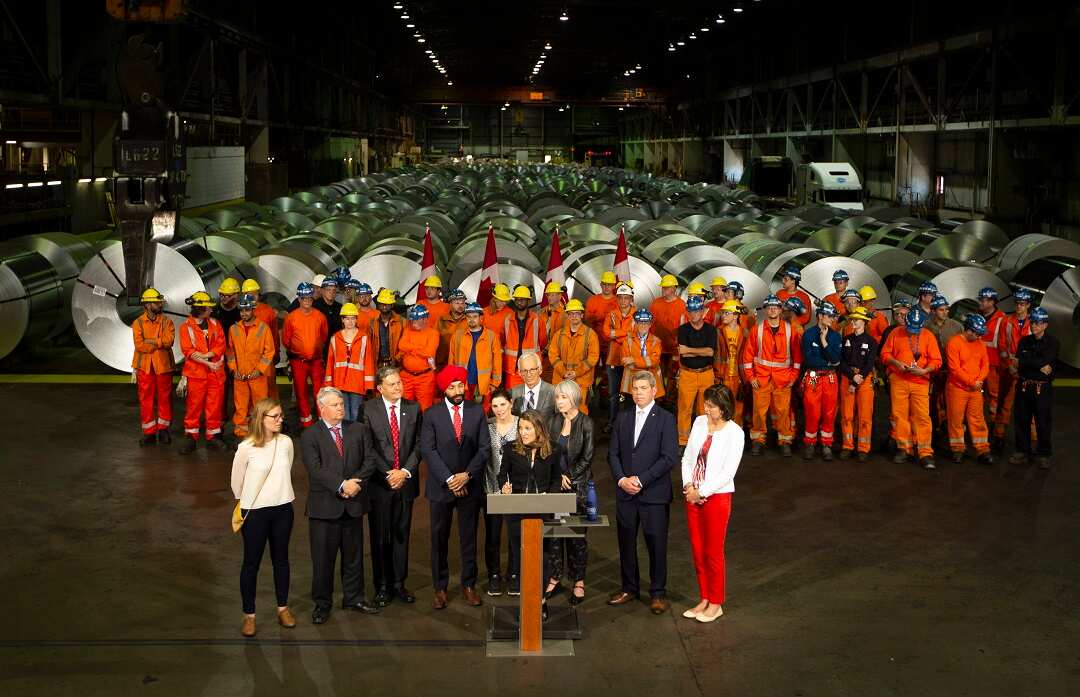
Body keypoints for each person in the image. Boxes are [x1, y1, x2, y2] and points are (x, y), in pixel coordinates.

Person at [301, 387, 378, 624]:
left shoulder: (358, 429)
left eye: (342, 404)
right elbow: (315, 469)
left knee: (354, 556)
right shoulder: (310, 435)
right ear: (321, 408)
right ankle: (322, 603)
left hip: (353, 503)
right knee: (323, 559)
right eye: (335, 405)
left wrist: (356, 484)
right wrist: (341, 485)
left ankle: (354, 597)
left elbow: (370, 460)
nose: (341, 408)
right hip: (325, 507)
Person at [607, 371, 679, 615]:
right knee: (626, 543)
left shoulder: (666, 419)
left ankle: (658, 593)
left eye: (643, 388)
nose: (638, 392)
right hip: (626, 493)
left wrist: (641, 479)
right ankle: (629, 588)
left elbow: (669, 457)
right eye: (635, 388)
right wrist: (621, 480)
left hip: (654, 494)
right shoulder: (623, 417)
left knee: (656, 544)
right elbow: (613, 454)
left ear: (653, 390)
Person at [420, 365, 492, 610]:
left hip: (470, 486)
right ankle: (440, 588)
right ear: (444, 389)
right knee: (439, 538)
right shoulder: (431, 414)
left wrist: (467, 476)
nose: (458, 390)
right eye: (452, 386)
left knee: (469, 538)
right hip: (441, 488)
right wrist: (451, 479)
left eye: (461, 385)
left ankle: (468, 585)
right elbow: (428, 450)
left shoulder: (476, 412)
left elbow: (484, 448)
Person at [231, 398, 296, 637]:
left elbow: (287, 467)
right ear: (261, 419)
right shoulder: (246, 448)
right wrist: (249, 500)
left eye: (281, 416)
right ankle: (249, 615)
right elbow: (236, 482)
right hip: (255, 513)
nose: (280, 420)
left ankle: (283, 608)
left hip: (282, 509)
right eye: (275, 417)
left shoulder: (286, 443)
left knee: (281, 560)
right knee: (251, 563)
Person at [680, 384, 742, 623]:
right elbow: (688, 458)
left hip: (717, 498)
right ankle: (704, 597)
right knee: (698, 550)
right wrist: (688, 486)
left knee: (713, 551)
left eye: (711, 406)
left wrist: (701, 491)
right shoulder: (698, 423)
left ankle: (716, 603)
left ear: (724, 408)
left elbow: (728, 472)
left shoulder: (735, 433)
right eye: (705, 405)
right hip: (693, 494)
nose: (706, 409)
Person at [362, 366, 422, 607]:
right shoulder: (368, 409)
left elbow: (419, 445)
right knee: (380, 537)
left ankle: (398, 584)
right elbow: (367, 446)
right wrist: (388, 473)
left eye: (399, 383)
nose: (398, 387)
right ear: (380, 388)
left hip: (405, 483)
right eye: (392, 384)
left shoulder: (413, 408)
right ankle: (382, 586)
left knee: (401, 536)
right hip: (380, 484)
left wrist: (404, 472)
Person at [498, 410, 564, 617]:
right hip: (517, 512)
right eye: (520, 428)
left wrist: (550, 498)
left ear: (539, 429)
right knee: (521, 558)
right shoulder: (511, 449)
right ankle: (527, 601)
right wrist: (504, 488)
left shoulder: (554, 450)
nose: (523, 432)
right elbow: (502, 475)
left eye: (527, 428)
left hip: (543, 513)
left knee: (542, 559)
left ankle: (541, 600)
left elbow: (555, 479)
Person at [546, 379, 595, 606]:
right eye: (557, 397)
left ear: (574, 398)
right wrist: (558, 477)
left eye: (563, 397)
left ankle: (578, 581)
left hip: (578, 488)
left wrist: (570, 476)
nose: (560, 402)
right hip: (557, 487)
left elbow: (587, 457)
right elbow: (547, 451)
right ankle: (555, 576)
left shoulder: (586, 423)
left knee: (576, 537)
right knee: (555, 536)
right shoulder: (553, 422)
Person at [880, 308, 942, 469]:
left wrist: (924, 370)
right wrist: (896, 363)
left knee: (922, 416)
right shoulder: (895, 333)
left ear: (922, 326)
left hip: (920, 381)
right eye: (910, 329)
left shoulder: (928, 336)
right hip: (899, 379)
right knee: (899, 415)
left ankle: (925, 452)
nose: (913, 332)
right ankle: (904, 448)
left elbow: (937, 360)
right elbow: (885, 354)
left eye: (916, 329)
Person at [740, 294, 802, 457]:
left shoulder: (790, 331)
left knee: (783, 411)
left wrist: (793, 378)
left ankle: (784, 440)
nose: (773, 309)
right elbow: (747, 356)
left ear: (781, 310)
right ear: (766, 310)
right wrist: (751, 377)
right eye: (770, 307)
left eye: (776, 306)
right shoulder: (757, 329)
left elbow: (797, 358)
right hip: (761, 379)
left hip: (783, 379)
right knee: (759, 412)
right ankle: (758, 440)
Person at [1008, 306, 1056, 469]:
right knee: (1021, 420)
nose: (1034, 326)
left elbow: (1025, 362)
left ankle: (1043, 454)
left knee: (1043, 422)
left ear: (1045, 325)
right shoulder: (1024, 341)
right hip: (1024, 386)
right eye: (1032, 322)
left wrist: (1024, 362)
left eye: (1037, 323)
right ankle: (1022, 451)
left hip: (1042, 389)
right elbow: (1020, 364)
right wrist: (1037, 364)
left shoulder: (1053, 343)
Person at [179, 291, 227, 452]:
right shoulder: (186, 328)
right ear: (200, 309)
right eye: (208, 308)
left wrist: (207, 355)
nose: (211, 310)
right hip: (197, 375)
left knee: (214, 406)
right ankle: (191, 438)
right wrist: (208, 363)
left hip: (215, 375)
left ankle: (212, 437)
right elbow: (188, 351)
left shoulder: (215, 324)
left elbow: (221, 345)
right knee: (194, 407)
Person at [945, 314, 993, 465]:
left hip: (975, 389)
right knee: (955, 419)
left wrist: (979, 380)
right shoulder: (954, 343)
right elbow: (954, 369)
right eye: (977, 333)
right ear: (968, 330)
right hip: (957, 389)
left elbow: (985, 364)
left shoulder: (980, 343)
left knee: (977, 419)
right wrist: (972, 382)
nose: (979, 336)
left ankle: (982, 450)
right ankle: (957, 449)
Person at [226, 294, 276, 440]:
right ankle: (241, 434)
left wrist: (259, 370)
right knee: (240, 406)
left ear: (253, 310)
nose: (244, 313)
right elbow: (230, 352)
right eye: (242, 310)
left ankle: (261, 434)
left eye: (247, 310)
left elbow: (269, 352)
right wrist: (233, 369)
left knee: (260, 406)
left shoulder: (263, 328)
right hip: (239, 375)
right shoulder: (234, 329)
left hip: (257, 376)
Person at [484, 389, 518, 596]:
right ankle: (494, 575)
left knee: (514, 535)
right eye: (495, 406)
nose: (499, 410)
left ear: (511, 403)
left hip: (516, 490)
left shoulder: (522, 424)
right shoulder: (487, 427)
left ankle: (514, 574)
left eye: (503, 405)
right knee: (492, 536)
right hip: (492, 488)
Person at [132, 287, 175, 445]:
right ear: (148, 305)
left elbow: (169, 341)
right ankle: (149, 433)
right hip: (145, 367)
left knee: (164, 398)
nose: (159, 305)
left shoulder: (167, 321)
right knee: (146, 399)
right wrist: (158, 342)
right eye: (156, 303)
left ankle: (163, 430)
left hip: (163, 366)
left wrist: (151, 341)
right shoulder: (137, 323)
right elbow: (139, 345)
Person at [282, 282, 329, 429]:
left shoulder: (320, 317)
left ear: (312, 298)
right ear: (299, 299)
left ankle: (322, 419)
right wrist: (297, 351)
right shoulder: (291, 318)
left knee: (319, 392)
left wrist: (315, 350)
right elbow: (286, 340)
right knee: (301, 392)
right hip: (298, 362)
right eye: (303, 298)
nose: (306, 300)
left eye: (309, 297)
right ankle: (306, 421)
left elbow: (324, 336)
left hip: (316, 361)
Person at [800, 303, 842, 460]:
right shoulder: (808, 334)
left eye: (833, 316)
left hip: (830, 379)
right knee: (812, 411)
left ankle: (826, 444)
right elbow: (809, 360)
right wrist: (828, 361)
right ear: (820, 316)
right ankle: (810, 443)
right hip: (813, 377)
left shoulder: (835, 336)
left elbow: (836, 360)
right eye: (829, 316)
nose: (832, 319)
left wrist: (824, 342)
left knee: (829, 412)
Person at [676, 295, 717, 446]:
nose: (694, 314)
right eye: (691, 311)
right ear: (687, 312)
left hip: (706, 374)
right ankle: (683, 441)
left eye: (697, 311)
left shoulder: (711, 330)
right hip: (687, 374)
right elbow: (683, 352)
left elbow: (710, 352)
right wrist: (701, 350)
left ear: (703, 311)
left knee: (706, 409)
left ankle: (703, 440)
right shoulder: (682, 330)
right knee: (684, 409)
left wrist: (690, 350)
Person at [324, 303, 375, 421]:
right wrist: (328, 384)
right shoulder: (335, 338)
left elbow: (368, 362)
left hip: (357, 383)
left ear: (357, 319)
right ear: (342, 320)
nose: (350, 321)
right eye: (347, 318)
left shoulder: (364, 338)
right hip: (339, 382)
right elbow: (330, 362)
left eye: (353, 318)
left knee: (356, 412)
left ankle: (355, 437)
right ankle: (346, 438)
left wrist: (368, 385)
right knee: (343, 412)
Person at [548, 299, 600, 414]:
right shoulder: (559, 334)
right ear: (567, 315)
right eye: (571, 313)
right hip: (561, 379)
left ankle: (579, 432)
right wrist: (563, 372)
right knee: (561, 411)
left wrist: (576, 372)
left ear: (582, 315)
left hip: (581, 380)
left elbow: (593, 357)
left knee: (579, 411)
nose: (574, 316)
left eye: (577, 313)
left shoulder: (590, 335)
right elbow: (553, 355)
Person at [449, 302, 503, 413]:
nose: (471, 319)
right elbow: (451, 359)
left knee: (483, 413)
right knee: (462, 411)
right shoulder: (457, 335)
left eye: (474, 316)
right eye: (468, 317)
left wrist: (494, 383)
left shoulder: (491, 336)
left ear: (481, 318)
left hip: (484, 384)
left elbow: (497, 361)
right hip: (463, 382)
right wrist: (452, 380)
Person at [839, 307, 877, 461]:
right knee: (847, 414)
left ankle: (863, 448)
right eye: (852, 319)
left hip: (864, 379)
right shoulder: (846, 339)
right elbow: (840, 361)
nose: (853, 321)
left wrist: (859, 377)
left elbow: (870, 363)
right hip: (848, 378)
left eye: (856, 319)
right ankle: (847, 446)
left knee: (865, 416)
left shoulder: (871, 342)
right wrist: (852, 377)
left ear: (864, 321)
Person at [925, 294, 964, 441]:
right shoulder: (925, 327)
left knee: (950, 402)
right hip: (933, 371)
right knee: (932, 400)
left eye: (946, 309)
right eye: (941, 310)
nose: (945, 312)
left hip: (951, 371)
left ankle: (949, 429)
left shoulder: (956, 327)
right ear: (933, 310)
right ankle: (934, 429)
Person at [977, 287, 1009, 450]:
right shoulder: (977, 316)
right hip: (976, 365)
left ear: (992, 302)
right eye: (981, 300)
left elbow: (1003, 344)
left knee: (995, 400)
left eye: (983, 300)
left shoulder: (1002, 319)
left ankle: (997, 433)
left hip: (994, 366)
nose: (981, 302)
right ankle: (979, 432)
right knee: (977, 400)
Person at [242, 278, 281, 399]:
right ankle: (255, 415)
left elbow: (274, 334)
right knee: (249, 389)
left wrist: (276, 353)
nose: (252, 297)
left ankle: (275, 414)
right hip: (248, 359)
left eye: (254, 294)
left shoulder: (267, 311)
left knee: (270, 387)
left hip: (266, 357)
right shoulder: (242, 311)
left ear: (258, 294)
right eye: (248, 294)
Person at [502, 284, 546, 389]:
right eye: (517, 299)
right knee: (513, 399)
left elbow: (543, 342)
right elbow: (503, 341)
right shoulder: (507, 320)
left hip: (531, 368)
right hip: (512, 369)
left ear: (528, 301)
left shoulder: (537, 319)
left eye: (522, 299)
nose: (519, 302)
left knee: (531, 399)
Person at [605, 282, 637, 426]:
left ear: (631, 299)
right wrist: (625, 334)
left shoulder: (637, 315)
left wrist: (615, 334)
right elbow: (606, 333)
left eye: (626, 298)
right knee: (613, 394)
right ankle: (613, 422)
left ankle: (628, 423)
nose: (623, 301)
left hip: (630, 359)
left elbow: (636, 335)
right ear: (617, 299)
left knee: (630, 394)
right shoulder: (611, 314)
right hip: (613, 359)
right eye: (620, 298)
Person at [650, 274, 688, 393]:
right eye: (663, 287)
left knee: (672, 374)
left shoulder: (682, 305)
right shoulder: (655, 304)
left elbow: (684, 328)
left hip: (674, 348)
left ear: (674, 289)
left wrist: (681, 345)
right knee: (657, 373)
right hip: (658, 347)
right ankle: (658, 397)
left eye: (666, 287)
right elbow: (650, 325)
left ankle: (670, 400)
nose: (663, 290)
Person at [396, 305, 439, 410]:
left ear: (425, 319)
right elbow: (401, 345)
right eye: (412, 320)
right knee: (404, 408)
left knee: (425, 409)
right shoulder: (408, 330)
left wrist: (410, 349)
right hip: (406, 376)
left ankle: (423, 427)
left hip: (425, 377)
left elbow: (429, 352)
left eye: (416, 320)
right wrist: (419, 349)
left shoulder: (433, 333)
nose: (413, 323)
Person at [714, 300, 748, 428]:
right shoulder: (719, 332)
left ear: (736, 315)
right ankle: (722, 433)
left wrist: (745, 379)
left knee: (738, 407)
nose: (724, 315)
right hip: (723, 376)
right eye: (723, 313)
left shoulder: (745, 333)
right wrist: (717, 375)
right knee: (722, 406)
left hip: (738, 377)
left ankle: (736, 434)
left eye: (727, 313)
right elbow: (716, 356)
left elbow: (747, 357)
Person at [620, 309, 665, 401]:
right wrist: (646, 364)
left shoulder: (656, 341)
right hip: (631, 385)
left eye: (646, 322)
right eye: (640, 322)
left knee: (650, 412)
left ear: (650, 324)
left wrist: (633, 360)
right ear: (635, 324)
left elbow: (654, 362)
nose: (643, 325)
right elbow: (626, 362)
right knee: (631, 412)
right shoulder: (627, 340)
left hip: (650, 383)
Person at [511, 351, 557, 421]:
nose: (528, 374)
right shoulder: (514, 392)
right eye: (524, 371)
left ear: (540, 370)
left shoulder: (553, 391)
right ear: (520, 373)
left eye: (532, 370)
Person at [371, 288, 404, 370]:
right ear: (378, 305)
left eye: (387, 303)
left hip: (396, 365)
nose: (384, 306)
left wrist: (397, 360)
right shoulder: (372, 323)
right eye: (382, 303)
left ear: (392, 305)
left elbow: (405, 346)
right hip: (378, 365)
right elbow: (370, 345)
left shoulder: (402, 322)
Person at [435, 288, 468, 366]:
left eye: (462, 303)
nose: (460, 306)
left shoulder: (469, 320)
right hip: (442, 363)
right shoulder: (441, 320)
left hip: (462, 362)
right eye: (457, 303)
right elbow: (433, 339)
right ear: (450, 304)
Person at [314, 276, 344, 341]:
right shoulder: (314, 306)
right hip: (320, 345)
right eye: (328, 289)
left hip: (337, 344)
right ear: (322, 291)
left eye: (334, 290)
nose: (331, 292)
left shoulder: (340, 307)